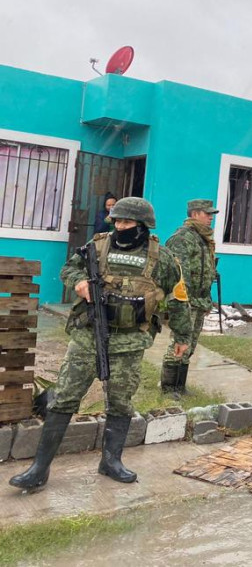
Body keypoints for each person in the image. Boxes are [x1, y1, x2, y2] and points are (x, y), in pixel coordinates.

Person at [9, 197, 192, 490]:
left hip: (130, 342)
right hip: (87, 336)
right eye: (116, 221)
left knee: (120, 401)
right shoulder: (96, 246)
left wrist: (182, 337)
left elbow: (178, 298)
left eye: (127, 222)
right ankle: (39, 468)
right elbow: (68, 270)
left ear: (143, 226)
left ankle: (111, 462)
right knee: (66, 396)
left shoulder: (163, 258)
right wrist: (79, 282)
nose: (120, 226)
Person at [161, 199, 219, 396]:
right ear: (194, 214)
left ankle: (180, 386)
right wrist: (180, 303)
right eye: (207, 213)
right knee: (179, 342)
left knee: (191, 344)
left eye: (211, 214)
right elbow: (178, 274)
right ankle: (168, 388)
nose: (211, 217)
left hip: (200, 300)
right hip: (186, 301)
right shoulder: (182, 238)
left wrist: (207, 298)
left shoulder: (203, 238)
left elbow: (207, 270)